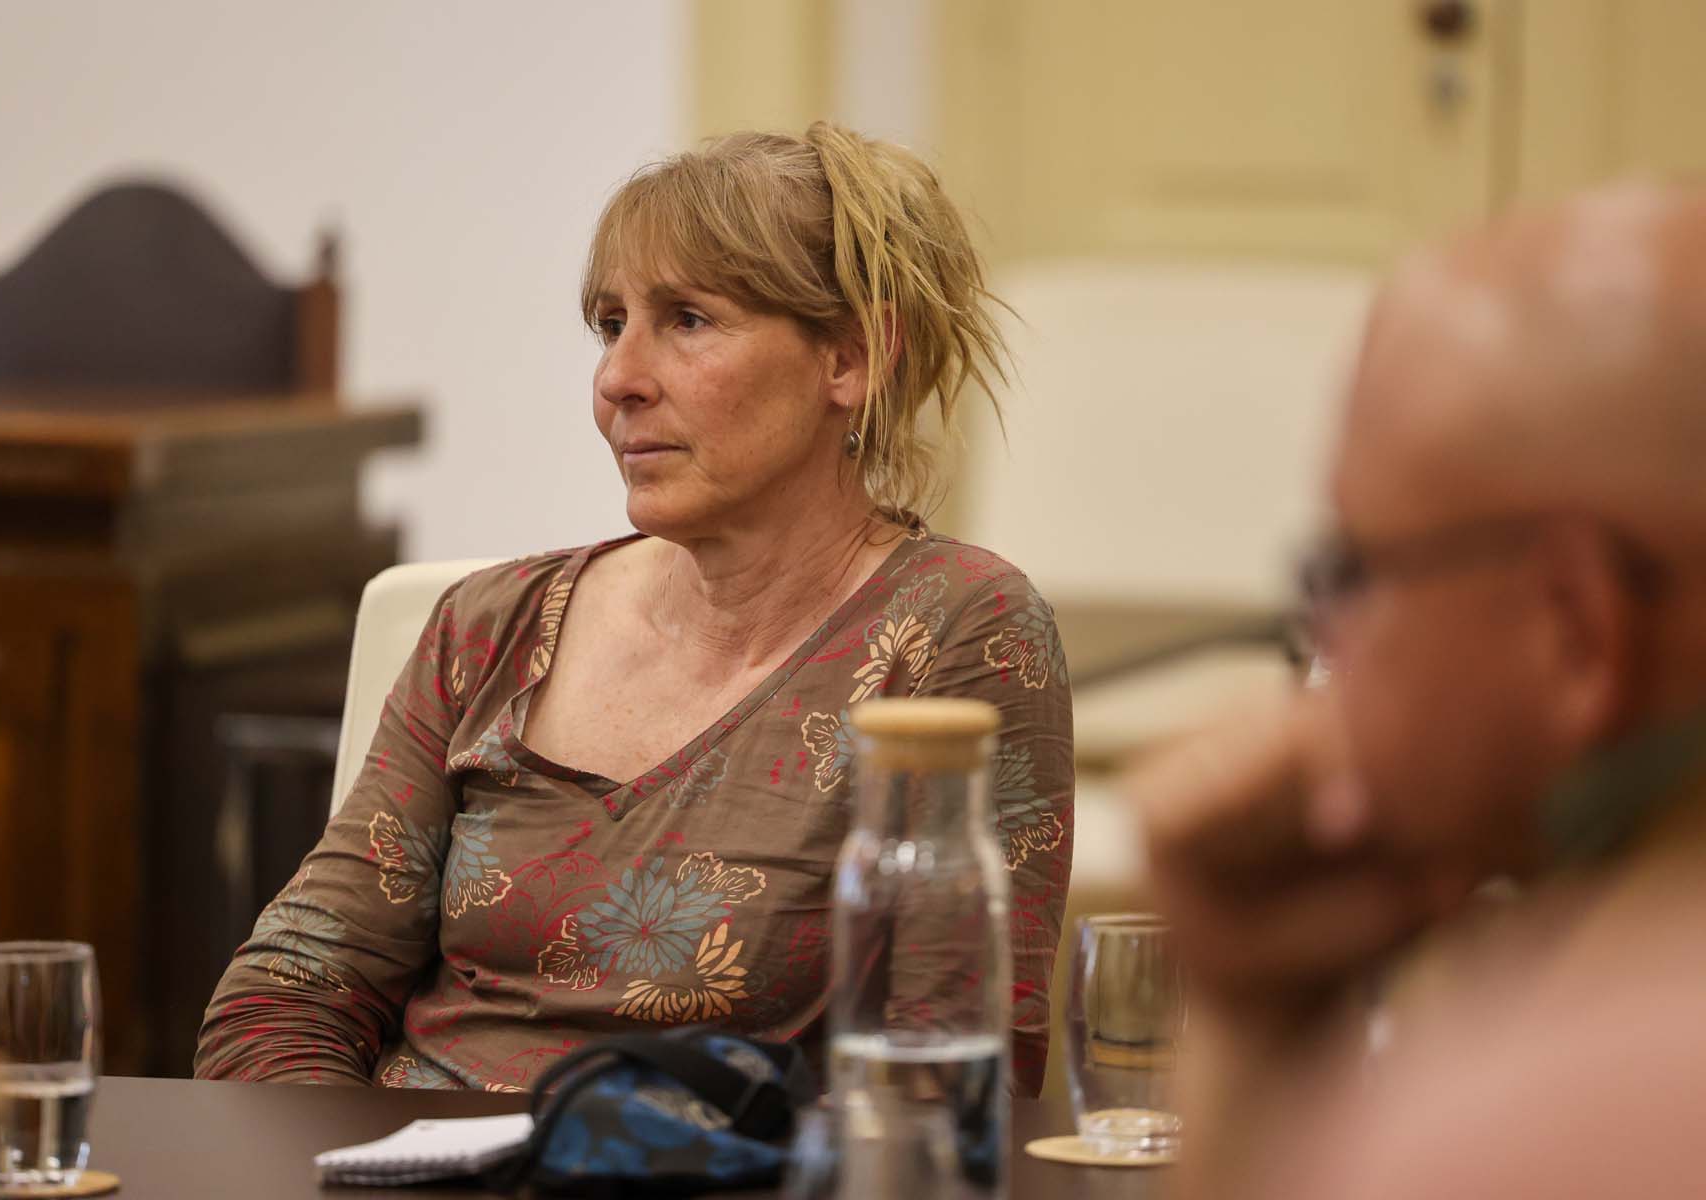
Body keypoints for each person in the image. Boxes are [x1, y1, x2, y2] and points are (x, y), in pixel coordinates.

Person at [196, 123, 1074, 1094]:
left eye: (689, 320)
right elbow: (285, 996)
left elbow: (948, 1081)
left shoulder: (956, 634)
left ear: (850, 361)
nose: (618, 379)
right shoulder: (489, 627)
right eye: (612, 325)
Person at [1129, 182, 1706, 1199]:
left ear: (1575, 627)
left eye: (1351, 571)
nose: (1323, 639)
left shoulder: (1547, 1122)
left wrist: (1243, 1038)